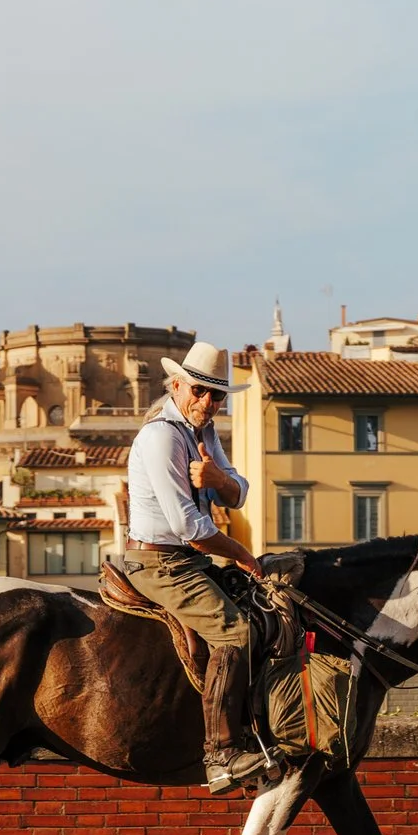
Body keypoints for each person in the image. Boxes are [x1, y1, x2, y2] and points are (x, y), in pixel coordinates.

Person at [117, 340, 272, 793]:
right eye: (199, 391)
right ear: (177, 385)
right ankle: (221, 754)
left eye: (217, 395)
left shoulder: (201, 431)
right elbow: (189, 525)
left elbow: (239, 491)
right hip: (159, 562)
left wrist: (219, 479)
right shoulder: (163, 435)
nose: (207, 402)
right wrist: (243, 555)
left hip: (186, 559)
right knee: (236, 632)